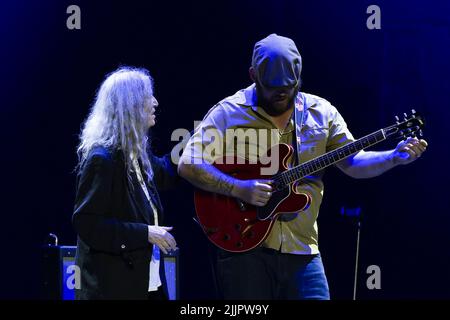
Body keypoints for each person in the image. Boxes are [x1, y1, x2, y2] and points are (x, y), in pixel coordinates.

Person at [177, 34, 428, 300]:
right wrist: (239, 189)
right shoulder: (228, 112)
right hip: (244, 248)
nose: (281, 93)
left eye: (288, 85)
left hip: (303, 250)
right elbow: (187, 163)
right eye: (273, 87)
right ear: (253, 75)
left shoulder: (321, 112)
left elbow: (353, 163)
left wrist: (393, 157)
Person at [73, 67, 178, 300]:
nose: (156, 102)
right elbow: (88, 224)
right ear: (130, 105)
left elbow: (167, 173)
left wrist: (198, 139)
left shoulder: (136, 155)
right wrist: (145, 233)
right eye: (148, 97)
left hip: (147, 285)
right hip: (113, 288)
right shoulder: (102, 159)